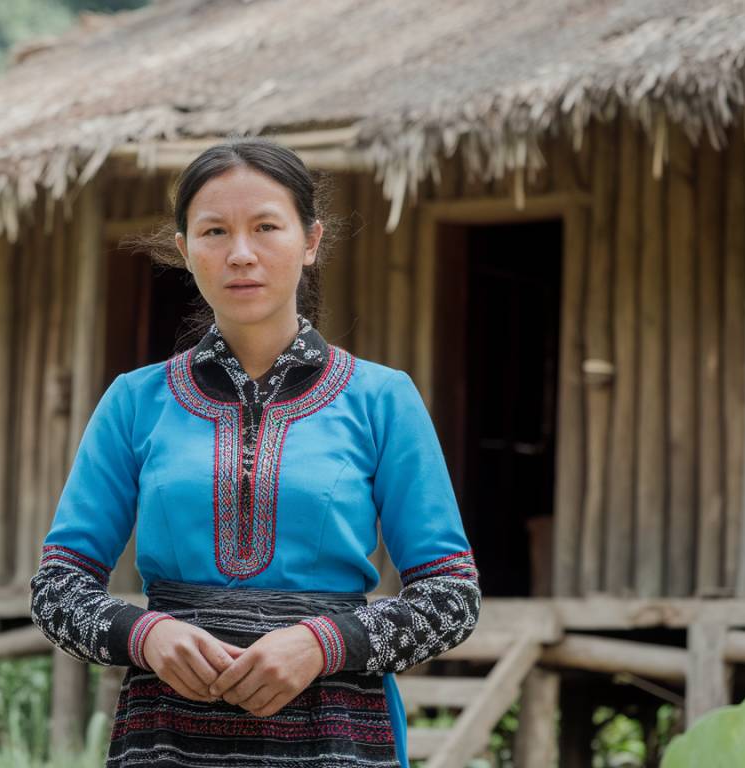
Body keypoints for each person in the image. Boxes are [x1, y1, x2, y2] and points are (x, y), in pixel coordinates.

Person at [30, 137, 481, 768]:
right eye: (214, 231)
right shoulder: (134, 402)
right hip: (168, 737)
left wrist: (324, 643)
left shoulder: (383, 400)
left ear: (311, 240)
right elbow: (56, 590)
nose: (241, 254)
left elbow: (451, 597)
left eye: (266, 226)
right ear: (186, 252)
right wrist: (145, 633)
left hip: (337, 734)